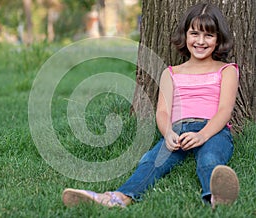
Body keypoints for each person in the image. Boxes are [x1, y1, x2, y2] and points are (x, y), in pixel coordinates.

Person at [62, 3, 240, 209]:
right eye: (194, 33)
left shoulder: (226, 70)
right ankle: (118, 197)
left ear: (218, 39)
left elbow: (225, 110)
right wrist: (168, 133)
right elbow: (163, 112)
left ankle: (216, 197)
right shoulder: (171, 73)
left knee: (210, 158)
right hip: (178, 130)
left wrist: (203, 135)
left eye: (208, 35)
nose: (200, 41)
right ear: (185, 35)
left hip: (214, 129)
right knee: (152, 161)